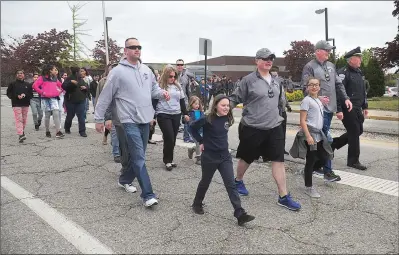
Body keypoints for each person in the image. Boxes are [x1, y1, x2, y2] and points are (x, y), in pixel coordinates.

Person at [94, 37, 170, 207]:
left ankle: (124, 179)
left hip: (145, 118)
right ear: (125, 51)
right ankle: (148, 195)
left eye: (139, 47)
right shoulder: (117, 72)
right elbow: (105, 97)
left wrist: (162, 93)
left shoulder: (146, 70)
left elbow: (153, 89)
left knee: (139, 155)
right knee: (139, 156)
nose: (137, 49)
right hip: (127, 119)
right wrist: (99, 118)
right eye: (133, 47)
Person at [229, 48, 301, 211]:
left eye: (271, 58)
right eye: (265, 58)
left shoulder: (276, 81)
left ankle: (283, 196)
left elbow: (279, 102)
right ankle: (238, 180)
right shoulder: (248, 81)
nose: (269, 61)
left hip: (274, 126)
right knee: (246, 158)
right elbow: (235, 98)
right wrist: (223, 112)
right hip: (253, 127)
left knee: (278, 160)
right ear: (257, 61)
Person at [190, 94, 256, 226]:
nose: (226, 108)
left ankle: (239, 213)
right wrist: (201, 141)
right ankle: (197, 203)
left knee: (230, 184)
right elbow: (192, 128)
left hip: (224, 157)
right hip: (209, 157)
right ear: (216, 106)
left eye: (228, 105)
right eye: (223, 105)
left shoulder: (227, 117)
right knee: (205, 181)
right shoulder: (207, 118)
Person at [301, 40, 353, 182]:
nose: (329, 52)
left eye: (330, 50)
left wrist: (346, 99)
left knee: (320, 141)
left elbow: (338, 84)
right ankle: (327, 172)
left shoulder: (331, 66)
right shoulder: (309, 67)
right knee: (326, 140)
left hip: (329, 110)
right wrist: (317, 97)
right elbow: (305, 88)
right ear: (318, 51)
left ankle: (312, 167)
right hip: (317, 110)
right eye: (326, 50)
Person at [290, 77, 334, 198]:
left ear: (319, 87)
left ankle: (305, 173)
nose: (314, 87)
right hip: (310, 134)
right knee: (311, 160)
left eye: (316, 85)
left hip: (319, 134)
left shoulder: (318, 101)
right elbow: (302, 121)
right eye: (311, 85)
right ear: (307, 87)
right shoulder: (306, 101)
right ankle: (308, 187)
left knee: (324, 157)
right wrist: (308, 136)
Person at [333, 47, 368, 170]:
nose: (360, 60)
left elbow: (363, 91)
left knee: (359, 131)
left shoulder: (359, 72)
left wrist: (365, 106)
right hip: (347, 107)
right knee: (354, 132)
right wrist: (338, 109)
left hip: (358, 107)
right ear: (351, 60)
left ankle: (332, 144)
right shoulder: (343, 73)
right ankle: (353, 161)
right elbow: (338, 92)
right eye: (358, 57)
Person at [154, 65, 189, 171]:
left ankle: (170, 159)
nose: (173, 78)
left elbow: (182, 101)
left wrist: (185, 113)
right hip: (163, 114)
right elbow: (154, 101)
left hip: (176, 114)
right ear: (165, 76)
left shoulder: (178, 86)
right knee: (169, 136)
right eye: (170, 76)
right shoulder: (159, 86)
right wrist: (152, 116)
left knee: (172, 138)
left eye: (174, 76)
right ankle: (167, 160)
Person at [33, 64, 64, 138]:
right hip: (45, 99)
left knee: (56, 113)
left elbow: (61, 86)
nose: (56, 71)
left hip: (54, 98)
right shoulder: (42, 78)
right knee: (47, 116)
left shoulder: (55, 78)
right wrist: (42, 92)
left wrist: (59, 92)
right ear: (50, 70)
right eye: (54, 69)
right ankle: (47, 131)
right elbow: (35, 86)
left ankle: (58, 131)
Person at [7, 70, 33, 143]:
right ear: (16, 75)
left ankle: (21, 132)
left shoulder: (27, 84)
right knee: (19, 119)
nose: (20, 74)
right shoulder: (12, 84)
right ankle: (21, 134)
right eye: (18, 73)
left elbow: (31, 95)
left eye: (21, 73)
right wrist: (16, 96)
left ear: (23, 75)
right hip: (16, 104)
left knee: (24, 119)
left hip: (25, 104)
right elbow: (8, 93)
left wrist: (25, 95)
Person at [270, 67, 292, 156]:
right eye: (273, 75)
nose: (275, 77)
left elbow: (284, 97)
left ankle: (281, 149)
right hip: (274, 113)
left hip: (283, 112)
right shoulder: (269, 85)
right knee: (275, 133)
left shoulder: (280, 84)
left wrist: (288, 106)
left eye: (276, 75)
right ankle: (272, 151)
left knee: (283, 132)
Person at [62, 66, 88, 137]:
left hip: (81, 100)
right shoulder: (69, 78)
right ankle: (67, 128)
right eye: (80, 71)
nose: (81, 72)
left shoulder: (81, 79)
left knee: (81, 116)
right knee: (70, 116)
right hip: (71, 100)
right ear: (76, 72)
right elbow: (63, 86)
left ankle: (82, 131)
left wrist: (85, 88)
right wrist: (71, 82)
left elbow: (86, 86)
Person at [176, 59, 194, 143]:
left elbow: (188, 90)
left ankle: (186, 137)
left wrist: (190, 100)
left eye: (181, 64)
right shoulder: (173, 75)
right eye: (178, 65)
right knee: (175, 120)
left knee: (187, 119)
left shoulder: (186, 76)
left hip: (184, 101)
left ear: (183, 66)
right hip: (174, 101)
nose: (180, 66)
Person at [186, 96, 204, 165]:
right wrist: (187, 119)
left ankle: (192, 149)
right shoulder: (190, 113)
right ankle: (198, 159)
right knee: (198, 143)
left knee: (199, 144)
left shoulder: (201, 112)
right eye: (195, 104)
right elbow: (186, 121)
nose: (197, 105)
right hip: (193, 131)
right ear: (191, 104)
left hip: (200, 130)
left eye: (198, 104)